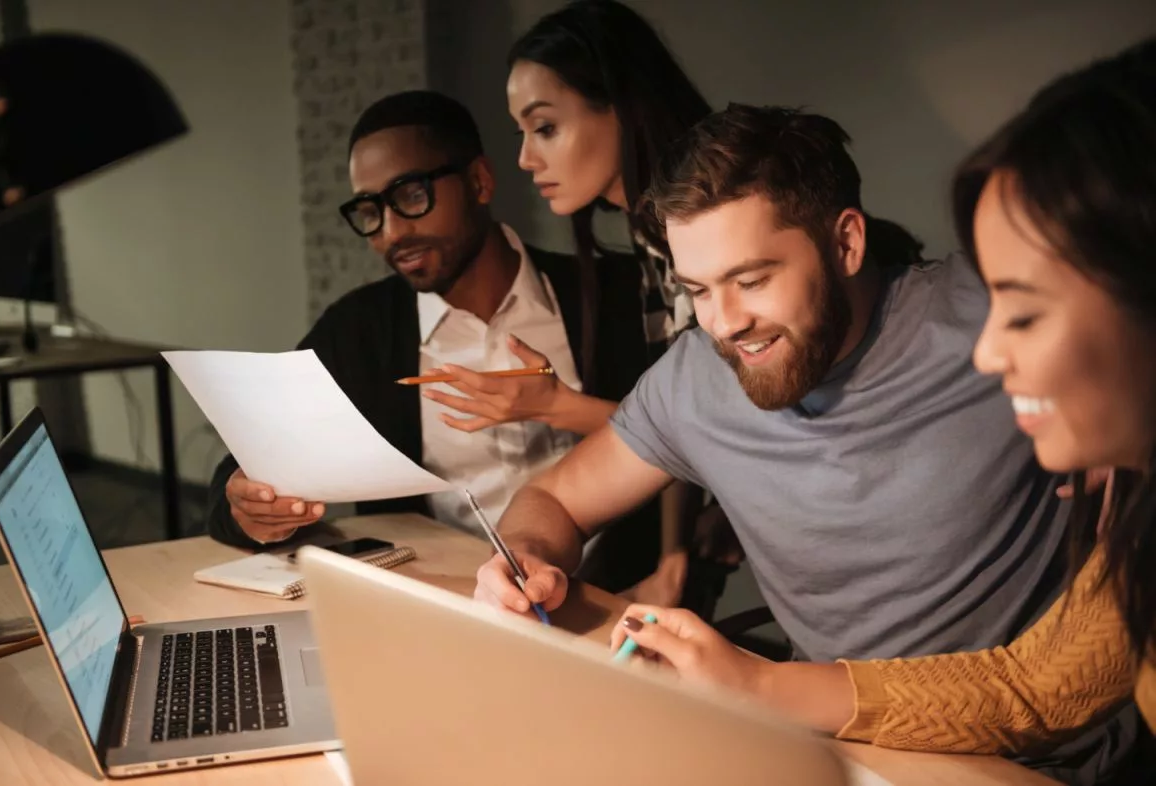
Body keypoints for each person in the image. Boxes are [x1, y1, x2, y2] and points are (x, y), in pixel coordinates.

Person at [473, 101, 1142, 784]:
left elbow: (1047, 686)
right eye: (698, 290)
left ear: (847, 243)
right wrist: (524, 559)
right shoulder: (696, 378)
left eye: (753, 280)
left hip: (1036, 766)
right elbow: (556, 496)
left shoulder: (995, 322)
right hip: (829, 750)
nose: (725, 324)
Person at [204, 90, 660, 595]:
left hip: (613, 602)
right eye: (370, 210)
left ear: (480, 181)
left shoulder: (615, 294)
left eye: (412, 195)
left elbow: (688, 438)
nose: (393, 232)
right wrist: (248, 507)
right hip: (442, 601)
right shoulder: (361, 329)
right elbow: (241, 466)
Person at [495, 0, 738, 614]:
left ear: (621, 108)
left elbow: (719, 418)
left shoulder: (704, 220)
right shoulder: (647, 234)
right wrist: (672, 555)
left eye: (544, 127)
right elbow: (687, 396)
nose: (525, 158)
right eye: (521, 132)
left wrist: (557, 406)